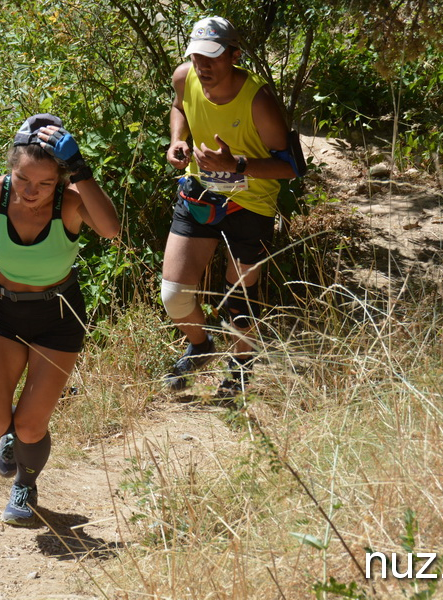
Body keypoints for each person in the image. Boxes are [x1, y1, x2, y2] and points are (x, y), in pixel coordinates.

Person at [0, 114, 119, 526]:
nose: (32, 191)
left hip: (58, 316)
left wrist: (82, 171)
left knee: (32, 425)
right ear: (10, 168)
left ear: (60, 178)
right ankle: (10, 436)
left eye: (44, 182)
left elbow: (110, 230)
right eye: (22, 179)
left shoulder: (71, 201)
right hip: (3, 310)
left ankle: (25, 482)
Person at [161, 16, 304, 399]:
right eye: (196, 57)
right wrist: (178, 140)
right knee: (174, 294)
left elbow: (290, 167)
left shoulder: (258, 100)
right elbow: (180, 107)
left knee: (237, 301)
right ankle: (201, 345)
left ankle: (240, 366)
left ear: (235, 55)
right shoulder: (184, 77)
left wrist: (236, 165)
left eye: (212, 57)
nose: (202, 66)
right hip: (198, 194)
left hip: (250, 204)